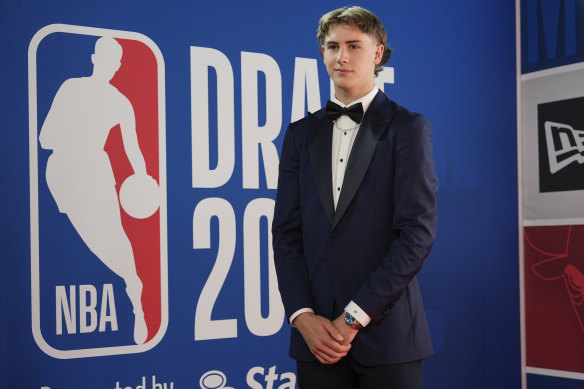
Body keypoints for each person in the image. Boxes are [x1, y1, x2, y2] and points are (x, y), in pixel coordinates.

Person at [272, 6, 438, 388]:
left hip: (388, 339)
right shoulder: (300, 134)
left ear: (377, 53)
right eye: (332, 46)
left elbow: (416, 235)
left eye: (353, 46)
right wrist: (302, 317)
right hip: (315, 343)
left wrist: (352, 318)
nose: (341, 56)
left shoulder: (408, 128)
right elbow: (286, 233)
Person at [39, 36, 149, 345]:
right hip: (61, 173)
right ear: (95, 58)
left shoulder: (120, 102)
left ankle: (136, 299)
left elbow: (134, 150)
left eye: (115, 61)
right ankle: (133, 287)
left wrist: (142, 181)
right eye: (107, 58)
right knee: (70, 241)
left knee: (113, 239)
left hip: (96, 173)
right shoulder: (71, 88)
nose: (111, 66)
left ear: (117, 65)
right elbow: (44, 138)